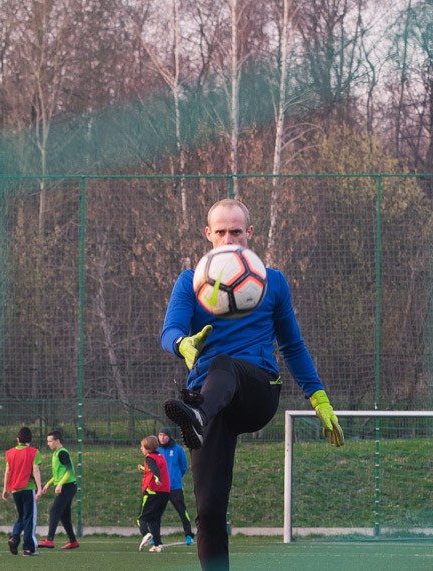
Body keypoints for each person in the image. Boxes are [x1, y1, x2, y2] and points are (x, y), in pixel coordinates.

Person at [160, 198, 343, 570]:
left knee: (226, 364)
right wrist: (184, 344)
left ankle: (195, 415)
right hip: (208, 403)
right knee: (209, 511)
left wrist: (319, 398)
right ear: (208, 234)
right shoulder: (189, 280)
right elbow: (170, 331)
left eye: (237, 231)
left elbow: (292, 345)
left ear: (250, 234)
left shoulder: (271, 281)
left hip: (256, 391)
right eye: (222, 231)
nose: (229, 238)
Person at [2, 427, 42, 556]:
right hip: (28, 488)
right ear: (30, 440)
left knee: (21, 517)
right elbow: (35, 470)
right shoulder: (34, 452)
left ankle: (14, 538)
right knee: (29, 518)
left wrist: (5, 488)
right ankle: (28, 548)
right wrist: (39, 488)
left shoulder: (9, 453)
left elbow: (7, 472)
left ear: (17, 439)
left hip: (15, 490)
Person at [37, 430, 79, 550]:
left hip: (68, 486)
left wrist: (60, 485)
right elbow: (58, 474)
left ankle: (49, 540)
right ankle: (73, 541)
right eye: (47, 441)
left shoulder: (62, 453)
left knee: (54, 511)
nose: (48, 444)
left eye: (50, 441)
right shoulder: (56, 454)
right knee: (64, 516)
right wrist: (48, 484)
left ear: (57, 441)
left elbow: (70, 471)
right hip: (66, 486)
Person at [154, 427, 194, 545]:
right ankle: (156, 538)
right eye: (160, 435)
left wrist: (175, 478)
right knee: (156, 513)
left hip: (175, 487)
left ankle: (188, 535)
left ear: (169, 436)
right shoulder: (157, 450)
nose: (162, 437)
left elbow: (183, 467)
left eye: (164, 435)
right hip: (160, 488)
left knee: (182, 511)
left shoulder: (178, 450)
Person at [136, 435, 170, 553]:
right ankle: (158, 544)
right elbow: (153, 468)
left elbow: (155, 470)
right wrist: (142, 468)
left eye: (142, 446)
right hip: (165, 493)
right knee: (154, 519)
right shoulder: (160, 456)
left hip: (152, 492)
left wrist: (157, 478)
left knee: (141, 518)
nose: (141, 448)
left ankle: (145, 534)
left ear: (147, 447)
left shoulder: (149, 458)